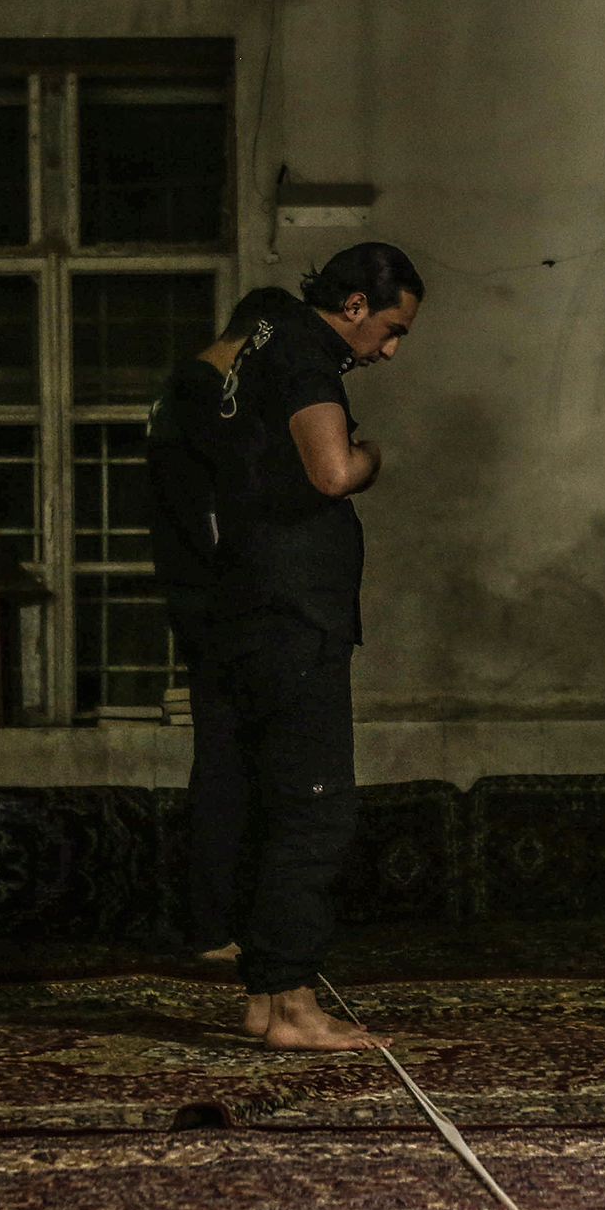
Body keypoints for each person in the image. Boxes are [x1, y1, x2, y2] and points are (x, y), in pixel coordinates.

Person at [206, 242, 422, 1052]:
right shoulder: (305, 349)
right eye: (391, 328)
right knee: (316, 809)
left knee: (274, 801)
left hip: (250, 604)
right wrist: (373, 460)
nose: (391, 349)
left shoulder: (257, 342)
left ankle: (266, 998)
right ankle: (295, 1002)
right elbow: (330, 471)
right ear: (357, 305)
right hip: (294, 614)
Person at [147, 284, 303, 961]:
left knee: (229, 760)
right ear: (258, 337)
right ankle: (216, 924)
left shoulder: (180, 393)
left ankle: (221, 921)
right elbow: (225, 508)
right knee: (230, 762)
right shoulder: (202, 395)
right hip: (217, 602)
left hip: (200, 597)